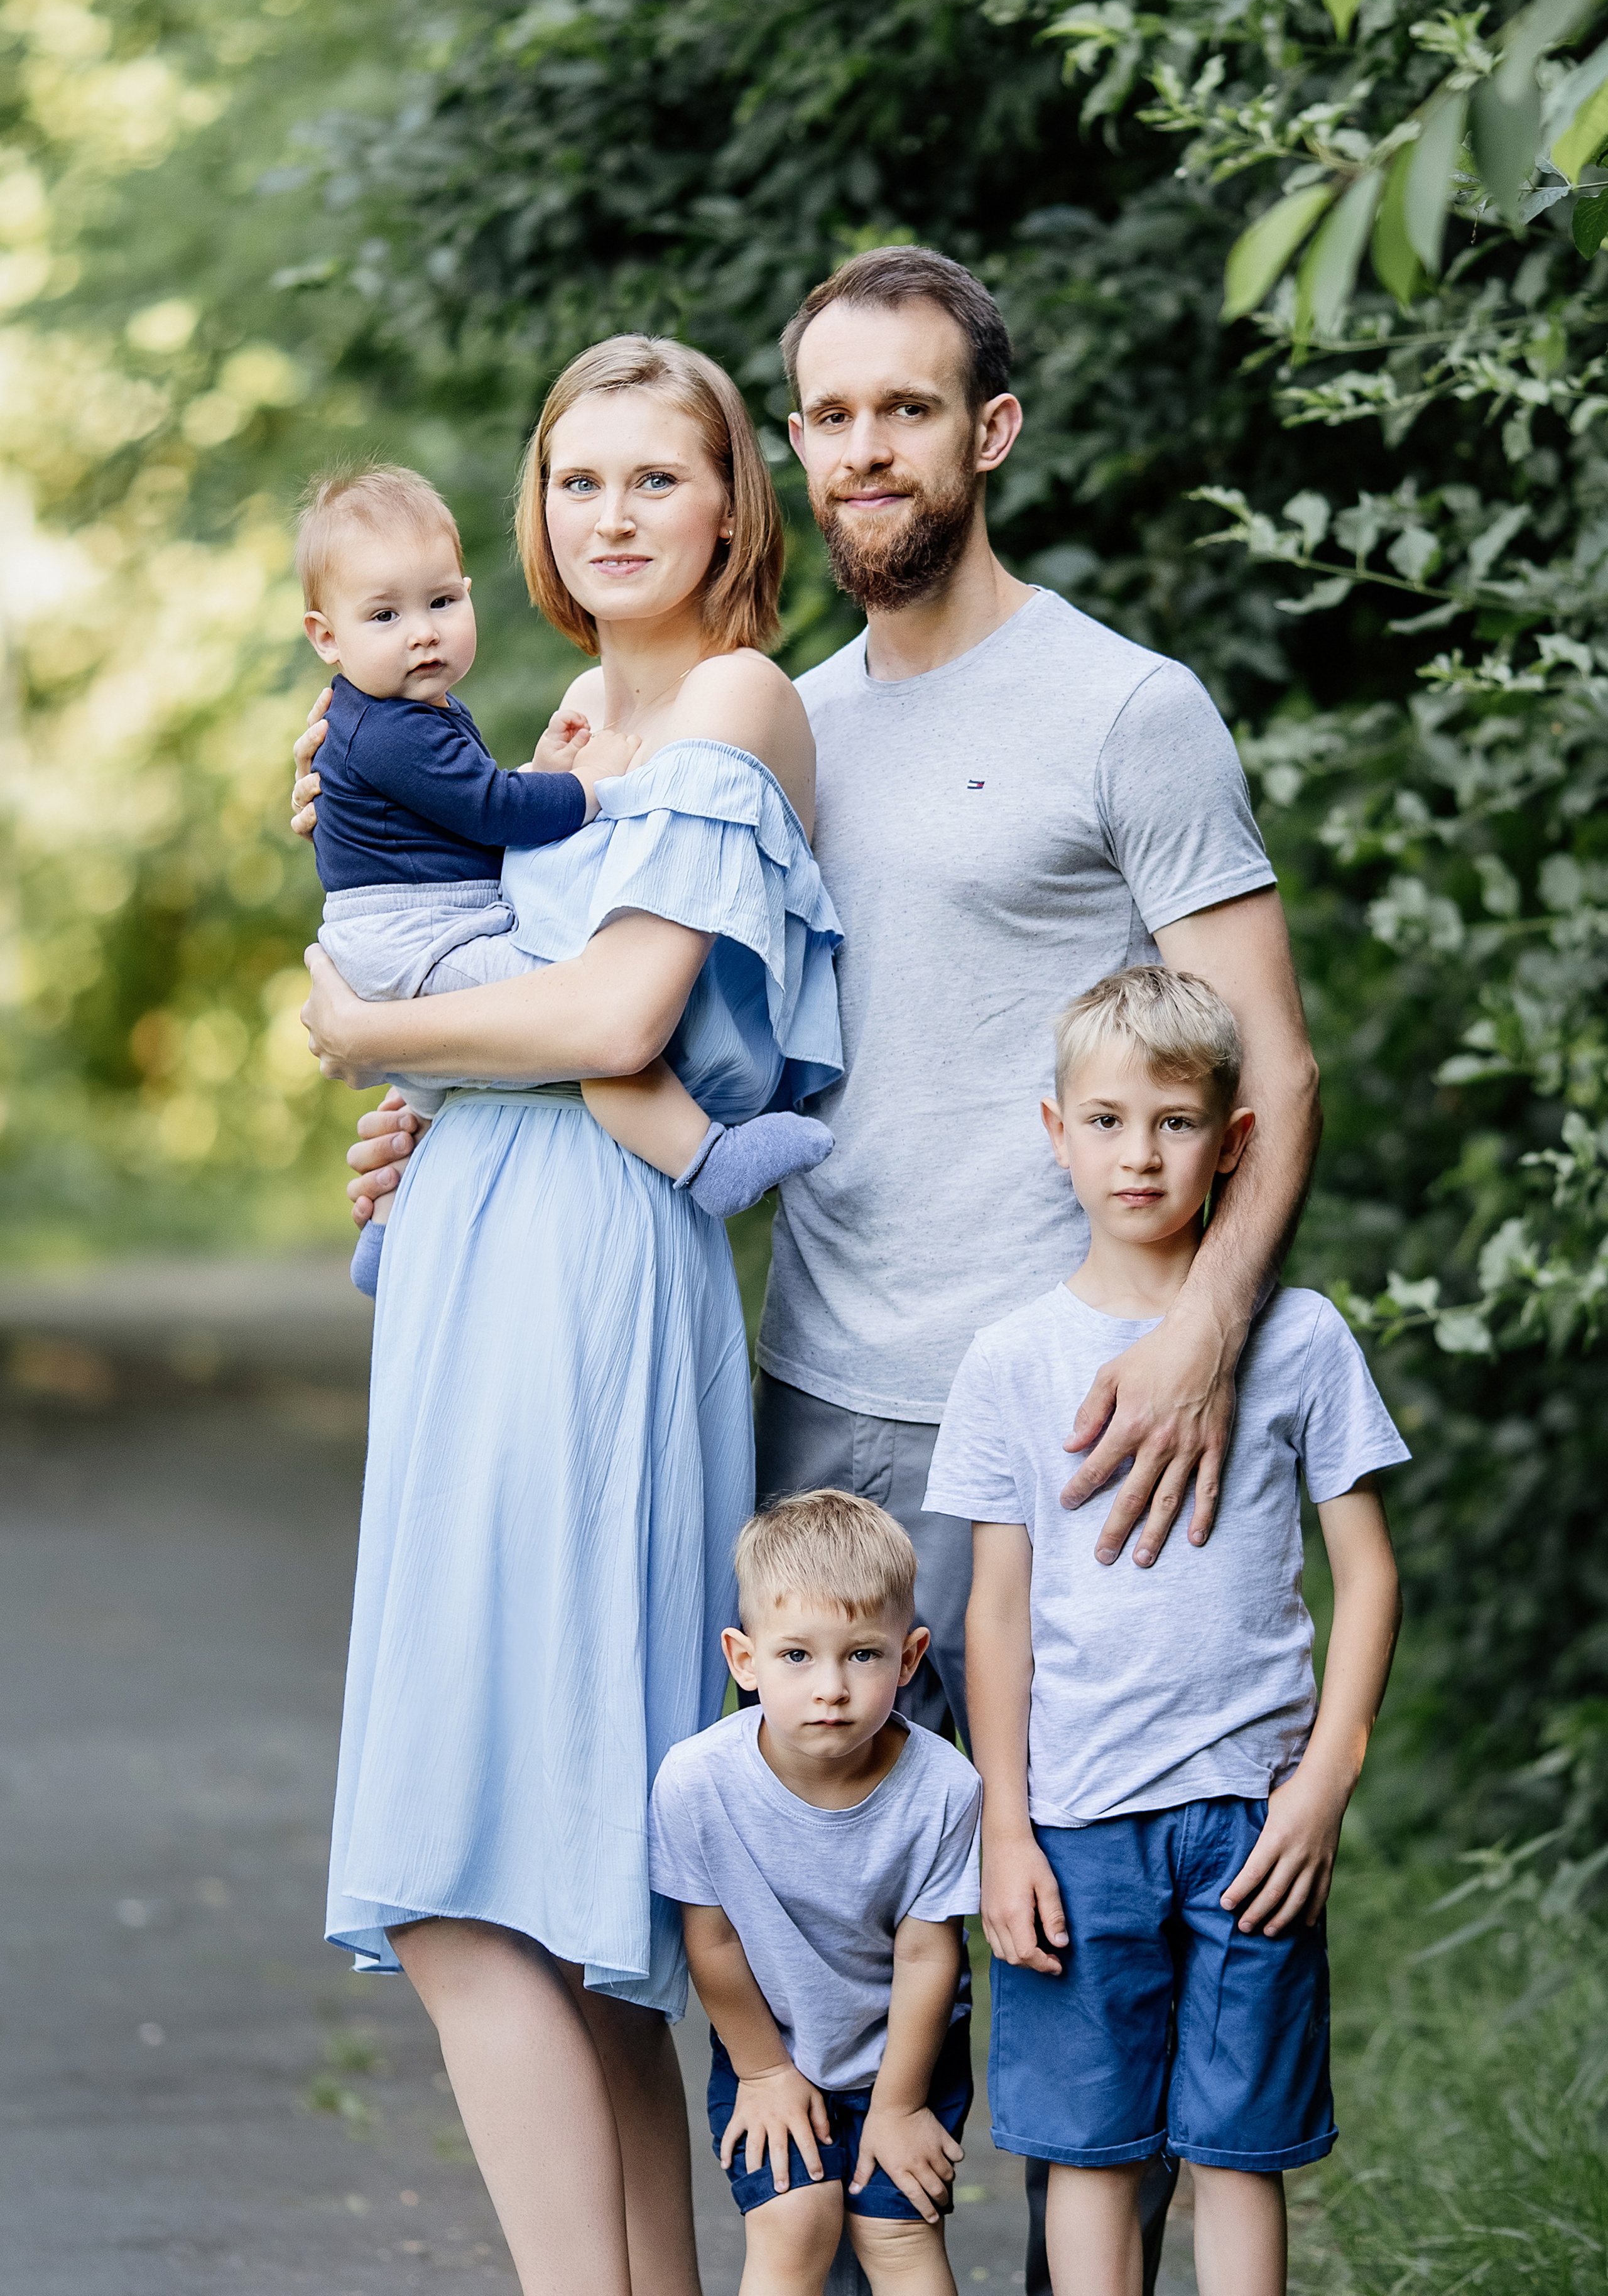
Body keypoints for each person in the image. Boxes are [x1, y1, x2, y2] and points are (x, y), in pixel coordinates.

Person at [312, 244, 1323, 2296]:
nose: (865, 449)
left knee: (1059, 1951)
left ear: (988, 434)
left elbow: (1271, 1062)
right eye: (831, 414)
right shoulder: (752, 716)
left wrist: (1206, 1331)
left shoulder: (1123, 708)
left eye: (905, 411)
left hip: (1067, 1413)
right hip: (814, 1391)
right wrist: (438, 1100)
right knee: (811, 1979)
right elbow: (651, 1007)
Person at [295, 334, 844, 2296]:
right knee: (577, 1913)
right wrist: (418, 1108)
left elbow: (615, 1020)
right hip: (487, 1260)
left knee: (476, 1887)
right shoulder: (551, 721)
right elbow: (503, 969)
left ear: (730, 503)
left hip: (586, 1287)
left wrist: (375, 1029)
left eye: (653, 477)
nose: (607, 514)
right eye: (574, 477)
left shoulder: (731, 697)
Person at [926, 967, 1405, 2296]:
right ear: (1053, 1131)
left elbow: (1366, 1579)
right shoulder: (1009, 1362)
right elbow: (995, 1615)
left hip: (1254, 1823)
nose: (1138, 1152)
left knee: (1237, 2155)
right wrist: (1005, 1831)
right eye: (1106, 1119)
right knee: (1089, 2154)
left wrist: (1323, 1785)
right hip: (1077, 1829)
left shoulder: (1299, 1341)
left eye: (1174, 1121)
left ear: (1231, 1140)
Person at [297, 460, 834, 1293]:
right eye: (385, 615)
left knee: (496, 1041)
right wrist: (588, 787)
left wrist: (536, 770)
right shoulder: (397, 726)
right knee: (566, 995)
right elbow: (493, 816)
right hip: (423, 948)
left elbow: (468, 819)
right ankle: (705, 1159)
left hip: (425, 951)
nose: (422, 633)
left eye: (442, 603)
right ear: (326, 637)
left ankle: (391, 1223)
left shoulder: (399, 713)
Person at [649, 1493, 981, 2296]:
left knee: (897, 2232)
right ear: (744, 1659)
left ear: (908, 1661)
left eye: (862, 1655)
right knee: (795, 2226)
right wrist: (764, 2074)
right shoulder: (697, 1783)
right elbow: (713, 1940)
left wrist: (900, 2108)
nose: (830, 1687)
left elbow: (929, 1950)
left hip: (905, 2049)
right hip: (771, 2040)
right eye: (796, 1656)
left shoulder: (944, 1786)